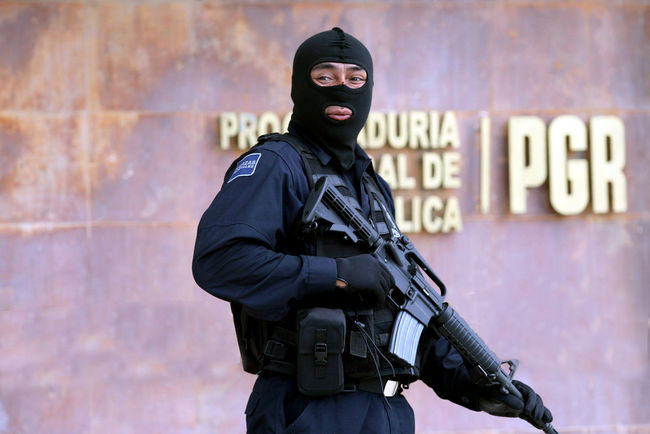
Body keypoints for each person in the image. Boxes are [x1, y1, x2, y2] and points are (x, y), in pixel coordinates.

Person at [192, 27, 553, 433]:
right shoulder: (277, 164)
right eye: (325, 77)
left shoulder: (371, 186)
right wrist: (339, 275)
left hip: (386, 412)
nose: (341, 90)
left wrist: (477, 385)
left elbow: (406, 318)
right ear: (298, 85)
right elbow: (220, 260)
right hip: (308, 409)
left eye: (355, 79)